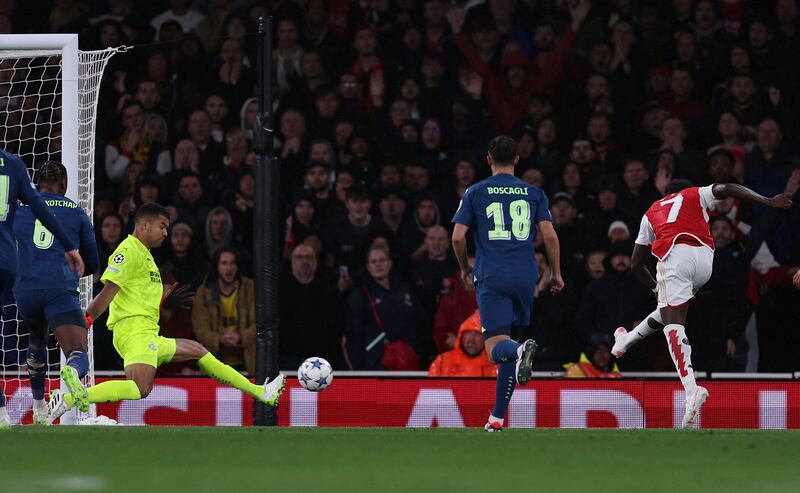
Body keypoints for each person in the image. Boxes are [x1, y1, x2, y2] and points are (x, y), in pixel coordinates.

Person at [46, 203, 284, 423]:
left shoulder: (145, 255)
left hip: (148, 332)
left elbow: (136, 295)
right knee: (140, 389)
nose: (166, 233)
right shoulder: (128, 251)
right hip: (134, 330)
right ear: (144, 225)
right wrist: (80, 325)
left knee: (198, 350)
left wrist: (163, 302)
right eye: (162, 227)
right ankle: (66, 400)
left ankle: (260, 392)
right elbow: (107, 295)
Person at [612, 179, 792, 428]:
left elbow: (635, 265)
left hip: (675, 254)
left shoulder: (651, 211)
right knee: (666, 311)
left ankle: (691, 390)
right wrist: (767, 200)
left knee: (673, 324)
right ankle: (626, 340)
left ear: (666, 193)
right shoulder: (695, 194)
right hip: (705, 261)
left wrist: (655, 286)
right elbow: (727, 188)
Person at [451, 135, 563, 432]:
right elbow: (550, 235)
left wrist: (464, 269)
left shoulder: (475, 192)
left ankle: (520, 349)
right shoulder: (534, 193)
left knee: (498, 349)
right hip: (527, 276)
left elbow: (458, 236)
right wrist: (556, 272)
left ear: (488, 159)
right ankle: (497, 419)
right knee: (508, 346)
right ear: (517, 159)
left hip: (492, 276)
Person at [8, 161, 98, 424]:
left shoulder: (19, 211)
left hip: (25, 291)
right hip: (59, 288)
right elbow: (91, 262)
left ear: (37, 185)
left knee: (37, 338)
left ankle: (39, 407)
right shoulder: (77, 213)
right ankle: (69, 371)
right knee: (78, 351)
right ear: (64, 185)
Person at [192, 246, 256, 374]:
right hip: (215, 367)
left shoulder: (250, 288)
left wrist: (240, 337)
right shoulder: (204, 292)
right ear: (217, 266)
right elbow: (200, 329)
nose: (229, 268)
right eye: (224, 263)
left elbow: (261, 324)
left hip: (248, 364)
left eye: (233, 263)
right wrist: (220, 339)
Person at [428, 310, 497, 377]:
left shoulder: (496, 365)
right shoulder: (443, 361)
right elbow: (431, 387)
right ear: (461, 337)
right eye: (468, 333)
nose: (472, 340)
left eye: (478, 334)